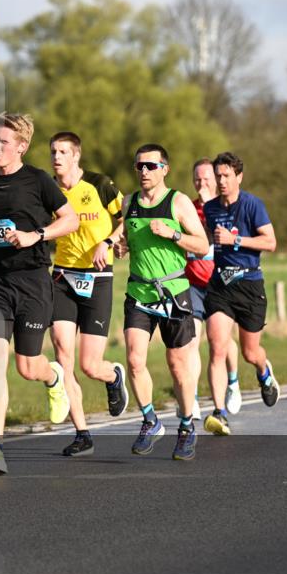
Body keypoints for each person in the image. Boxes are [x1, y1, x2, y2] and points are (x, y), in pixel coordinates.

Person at [0, 113, 80, 475]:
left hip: (32, 282)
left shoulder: (38, 181)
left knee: (28, 366)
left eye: (4, 143)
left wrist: (36, 235)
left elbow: (70, 219)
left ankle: (54, 377)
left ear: (22, 147)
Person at [116, 144, 210, 461]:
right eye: (139, 166)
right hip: (140, 292)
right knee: (134, 360)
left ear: (164, 169)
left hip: (173, 293)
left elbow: (202, 244)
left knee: (178, 367)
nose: (144, 172)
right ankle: (150, 420)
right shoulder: (129, 202)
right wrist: (120, 248)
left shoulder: (178, 202)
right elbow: (125, 238)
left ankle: (185, 426)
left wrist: (173, 235)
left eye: (151, 166)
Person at [46, 131, 128, 457]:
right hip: (63, 276)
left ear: (76, 155)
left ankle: (112, 376)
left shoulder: (99, 184)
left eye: (63, 151)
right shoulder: (48, 191)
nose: (57, 157)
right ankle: (82, 433)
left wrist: (108, 242)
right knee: (63, 355)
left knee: (90, 364)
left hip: (98, 276)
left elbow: (128, 217)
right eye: (53, 151)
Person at [202, 152, 280, 437]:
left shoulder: (252, 205)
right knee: (217, 346)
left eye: (226, 176)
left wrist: (235, 240)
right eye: (218, 176)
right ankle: (220, 412)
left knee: (249, 352)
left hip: (249, 285)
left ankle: (264, 373)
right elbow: (204, 242)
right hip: (221, 286)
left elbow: (270, 242)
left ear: (238, 177)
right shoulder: (210, 209)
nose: (221, 181)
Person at [185, 159, 241, 417]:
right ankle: (193, 398)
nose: (201, 183)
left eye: (206, 178)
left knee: (221, 342)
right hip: (194, 283)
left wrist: (209, 206)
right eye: (197, 179)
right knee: (192, 343)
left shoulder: (225, 207)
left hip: (221, 282)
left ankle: (232, 381)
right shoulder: (187, 208)